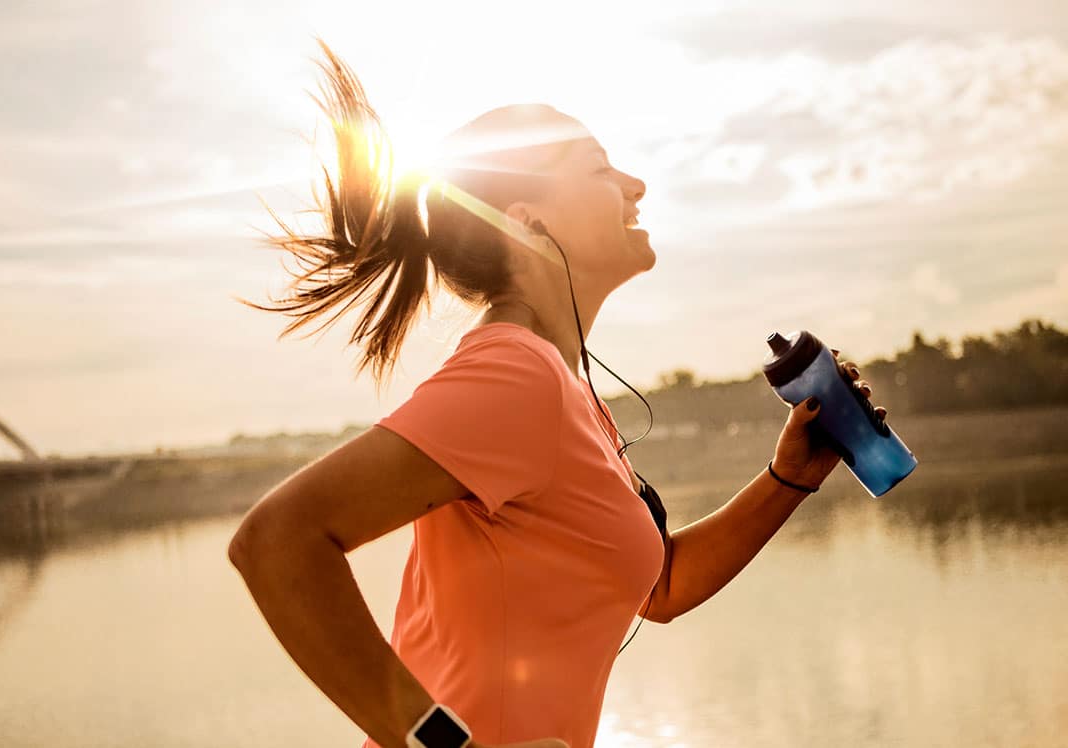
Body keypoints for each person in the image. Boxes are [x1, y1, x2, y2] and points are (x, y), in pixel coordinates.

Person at [227, 38, 885, 748]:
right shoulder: (516, 377)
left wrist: (790, 476)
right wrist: (440, 746)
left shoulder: (563, 388)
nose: (635, 185)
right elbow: (276, 542)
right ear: (527, 219)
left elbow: (659, 588)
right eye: (601, 169)